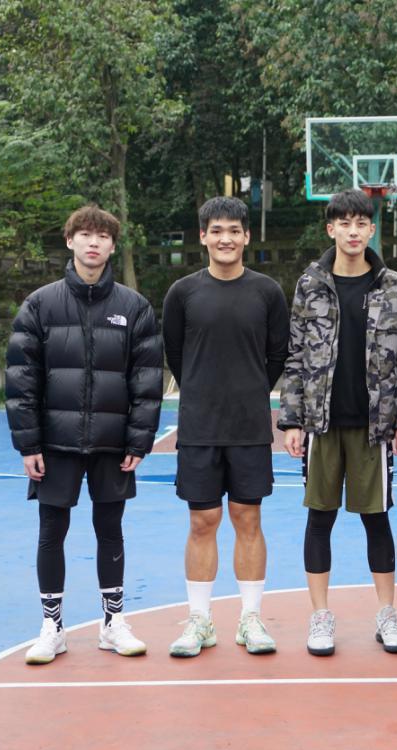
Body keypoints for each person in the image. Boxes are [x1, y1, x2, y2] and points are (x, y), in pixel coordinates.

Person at [6, 205, 163, 665]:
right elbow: (22, 380)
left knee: (110, 530)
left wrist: (138, 440)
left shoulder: (134, 307)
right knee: (51, 531)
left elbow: (147, 381)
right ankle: (52, 627)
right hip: (55, 443)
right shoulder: (40, 304)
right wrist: (29, 443)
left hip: (112, 444)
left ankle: (113, 623)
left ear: (113, 246)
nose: (94, 243)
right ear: (69, 240)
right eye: (85, 234)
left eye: (103, 236)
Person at [279, 188, 397, 656]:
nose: (353, 231)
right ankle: (320, 617)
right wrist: (292, 420)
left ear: (371, 228)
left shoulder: (392, 285)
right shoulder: (310, 284)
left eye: (361, 223)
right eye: (345, 223)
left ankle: (387, 614)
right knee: (319, 518)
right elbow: (295, 355)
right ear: (331, 228)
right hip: (321, 423)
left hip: (374, 424)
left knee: (376, 519)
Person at [162, 196, 289, 657]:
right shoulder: (182, 293)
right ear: (203, 237)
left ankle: (250, 618)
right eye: (216, 230)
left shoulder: (268, 292)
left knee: (247, 518)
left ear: (247, 236)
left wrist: (249, 391)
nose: (225, 239)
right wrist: (204, 391)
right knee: (202, 521)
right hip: (199, 426)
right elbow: (175, 354)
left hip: (249, 426)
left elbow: (277, 355)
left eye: (234, 230)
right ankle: (200, 620)